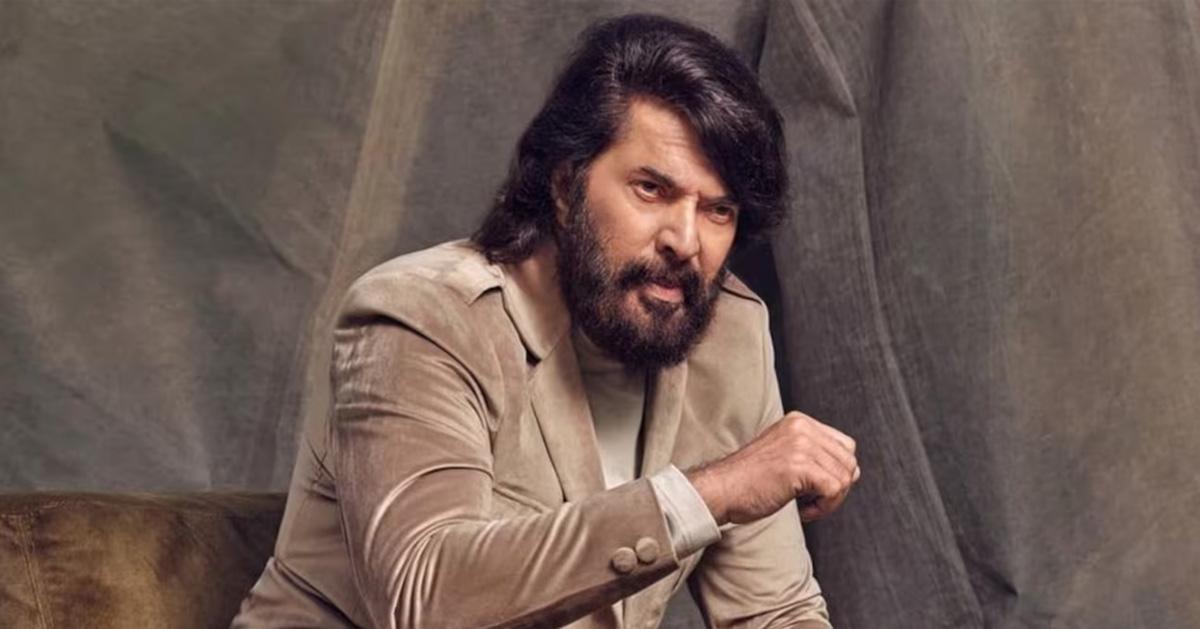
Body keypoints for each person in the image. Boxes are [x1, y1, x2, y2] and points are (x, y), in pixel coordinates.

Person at [233, 14, 858, 629]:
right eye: (651, 189)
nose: (685, 240)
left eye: (718, 210)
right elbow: (422, 602)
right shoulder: (423, 317)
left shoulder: (730, 337)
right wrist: (711, 493)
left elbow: (774, 611)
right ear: (565, 185)